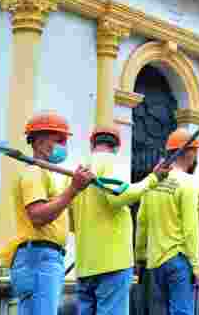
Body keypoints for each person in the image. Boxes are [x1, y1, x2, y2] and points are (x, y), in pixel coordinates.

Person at [71, 126, 169, 315]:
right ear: (117, 146)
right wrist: (152, 179)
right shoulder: (112, 162)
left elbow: (72, 222)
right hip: (112, 263)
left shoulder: (79, 171)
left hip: (85, 264)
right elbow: (118, 197)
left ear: (92, 143)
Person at [5, 111, 94, 315]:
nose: (64, 145)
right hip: (39, 258)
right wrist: (73, 190)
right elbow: (38, 216)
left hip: (42, 257)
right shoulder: (34, 173)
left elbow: (66, 221)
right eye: (59, 140)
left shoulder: (47, 175)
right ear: (39, 142)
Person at [135, 128, 199, 315]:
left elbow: (142, 221)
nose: (195, 157)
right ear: (188, 152)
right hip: (178, 259)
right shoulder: (187, 183)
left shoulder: (153, 181)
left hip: (154, 262)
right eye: (195, 152)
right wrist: (197, 267)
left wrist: (140, 257)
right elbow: (190, 228)